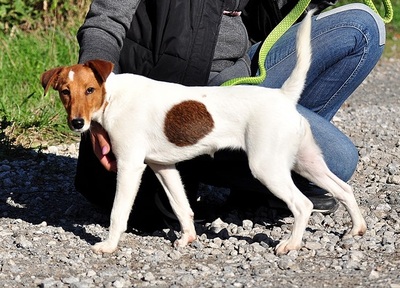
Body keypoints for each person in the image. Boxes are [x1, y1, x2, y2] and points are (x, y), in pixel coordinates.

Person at [75, 0, 385, 231]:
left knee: (363, 25)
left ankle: (264, 170)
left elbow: (266, 16)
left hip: (246, 70)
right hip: (189, 95)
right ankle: (248, 175)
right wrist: (97, 101)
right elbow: (106, 20)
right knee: (340, 161)